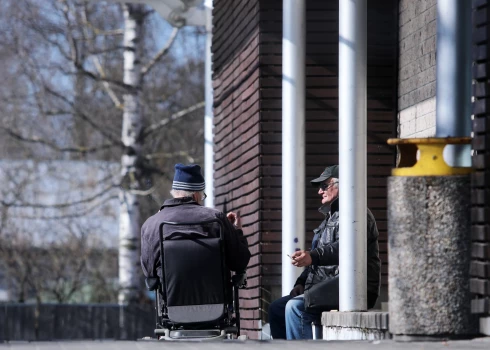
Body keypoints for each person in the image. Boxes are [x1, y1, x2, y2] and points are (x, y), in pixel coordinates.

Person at [268, 165, 381, 340]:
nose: (320, 191)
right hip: (327, 285)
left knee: (295, 308)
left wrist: (312, 256)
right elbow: (317, 258)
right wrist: (301, 282)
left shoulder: (357, 214)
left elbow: (345, 248)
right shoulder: (331, 217)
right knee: (277, 308)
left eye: (324, 186)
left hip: (353, 286)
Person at [140, 163, 251, 283]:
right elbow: (239, 261)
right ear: (196, 195)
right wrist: (235, 231)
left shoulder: (151, 225)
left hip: (171, 300)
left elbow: (149, 271)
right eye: (203, 196)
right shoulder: (216, 219)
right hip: (217, 299)